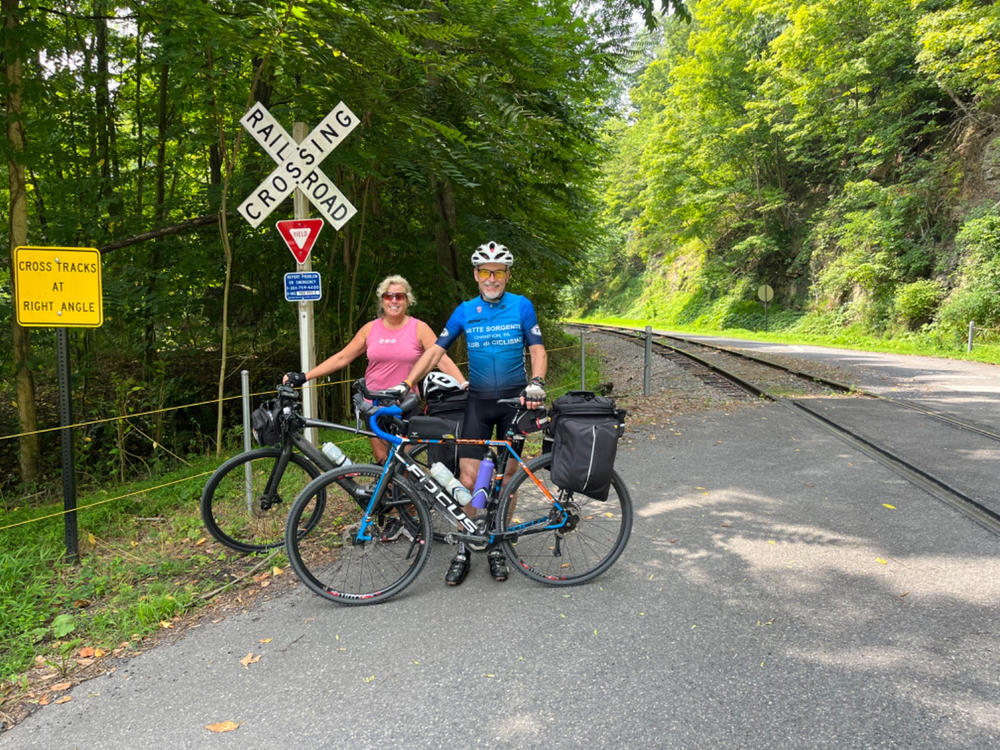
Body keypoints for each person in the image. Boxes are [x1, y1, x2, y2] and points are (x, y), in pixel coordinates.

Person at [396, 241, 548, 586]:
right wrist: (407, 383)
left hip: (514, 403)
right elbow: (435, 351)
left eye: (498, 272)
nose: (491, 278)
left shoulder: (522, 307)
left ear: (507, 275)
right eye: (484, 272)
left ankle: (499, 544)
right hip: (477, 402)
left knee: (507, 482)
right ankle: (465, 548)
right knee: (467, 480)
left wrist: (537, 381)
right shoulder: (465, 311)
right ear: (476, 275)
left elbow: (537, 349)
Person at [283, 274, 465, 465]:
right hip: (374, 404)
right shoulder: (370, 329)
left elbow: (441, 358)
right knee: (382, 461)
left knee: (405, 463)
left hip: (405, 405)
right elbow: (342, 357)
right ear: (382, 300)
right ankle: (387, 495)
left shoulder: (419, 328)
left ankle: (406, 495)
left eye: (399, 296)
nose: (394, 300)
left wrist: (464, 385)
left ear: (408, 300)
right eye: (388, 296)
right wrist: (305, 376)